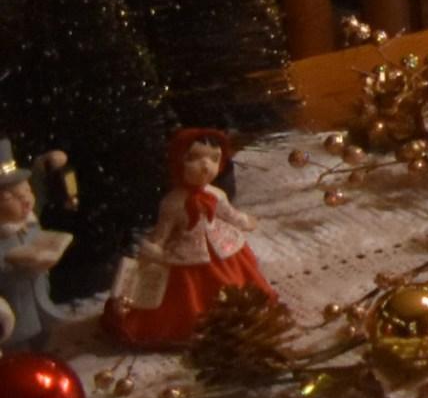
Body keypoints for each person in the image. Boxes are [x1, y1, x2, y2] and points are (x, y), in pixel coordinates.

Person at [106, 127, 269, 349]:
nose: (206, 166)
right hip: (187, 251)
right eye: (194, 158)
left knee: (232, 280)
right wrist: (154, 249)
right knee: (187, 291)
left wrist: (245, 221)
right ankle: (191, 324)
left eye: (214, 159)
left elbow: (230, 214)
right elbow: (163, 232)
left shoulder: (217, 194)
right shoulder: (172, 203)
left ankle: (235, 313)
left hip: (220, 245)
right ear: (178, 162)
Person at [0, 147, 67, 348]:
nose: (26, 200)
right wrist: (13, 263)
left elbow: (40, 187)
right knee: (19, 345)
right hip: (16, 307)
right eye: (11, 198)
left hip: (40, 299)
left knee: (45, 337)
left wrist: (44, 164)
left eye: (27, 191)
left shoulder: (30, 221)